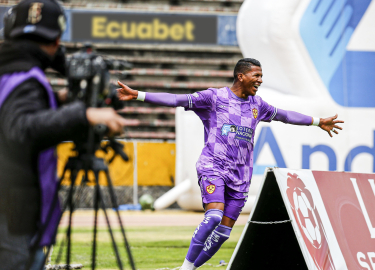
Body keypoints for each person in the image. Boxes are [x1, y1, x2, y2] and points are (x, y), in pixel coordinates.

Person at [116, 58, 344, 270]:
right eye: (256, 75)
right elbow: (177, 99)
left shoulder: (258, 105)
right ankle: (185, 268)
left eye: (261, 76)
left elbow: (284, 115)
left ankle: (192, 268)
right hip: (213, 167)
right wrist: (138, 95)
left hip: (241, 176)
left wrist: (317, 122)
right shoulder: (213, 98)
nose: (260, 80)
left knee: (224, 232)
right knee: (214, 217)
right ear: (241, 76)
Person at [0, 1, 125, 270]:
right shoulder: (26, 78)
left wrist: (60, 100)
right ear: (55, 41)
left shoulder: (10, 71)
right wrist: (84, 114)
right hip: (11, 219)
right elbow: (21, 128)